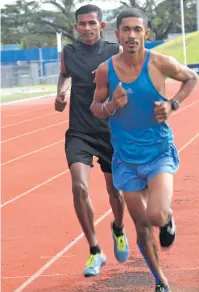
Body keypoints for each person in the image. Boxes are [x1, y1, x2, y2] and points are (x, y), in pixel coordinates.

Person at [90, 8, 199, 292]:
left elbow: (191, 78)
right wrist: (112, 104)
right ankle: (161, 284)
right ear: (117, 34)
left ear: (146, 35)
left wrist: (173, 104)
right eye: (126, 30)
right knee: (140, 227)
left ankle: (167, 217)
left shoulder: (160, 63)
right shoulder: (105, 70)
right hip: (125, 158)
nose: (131, 36)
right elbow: (95, 107)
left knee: (155, 216)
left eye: (137, 30)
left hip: (158, 153)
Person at [54, 4, 129, 278]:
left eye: (91, 23)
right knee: (79, 187)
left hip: (110, 132)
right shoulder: (69, 53)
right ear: (76, 27)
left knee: (116, 192)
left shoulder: (113, 52)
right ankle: (95, 250)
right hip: (79, 132)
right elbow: (64, 75)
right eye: (82, 24)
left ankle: (118, 229)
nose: (86, 28)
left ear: (102, 25)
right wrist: (61, 93)